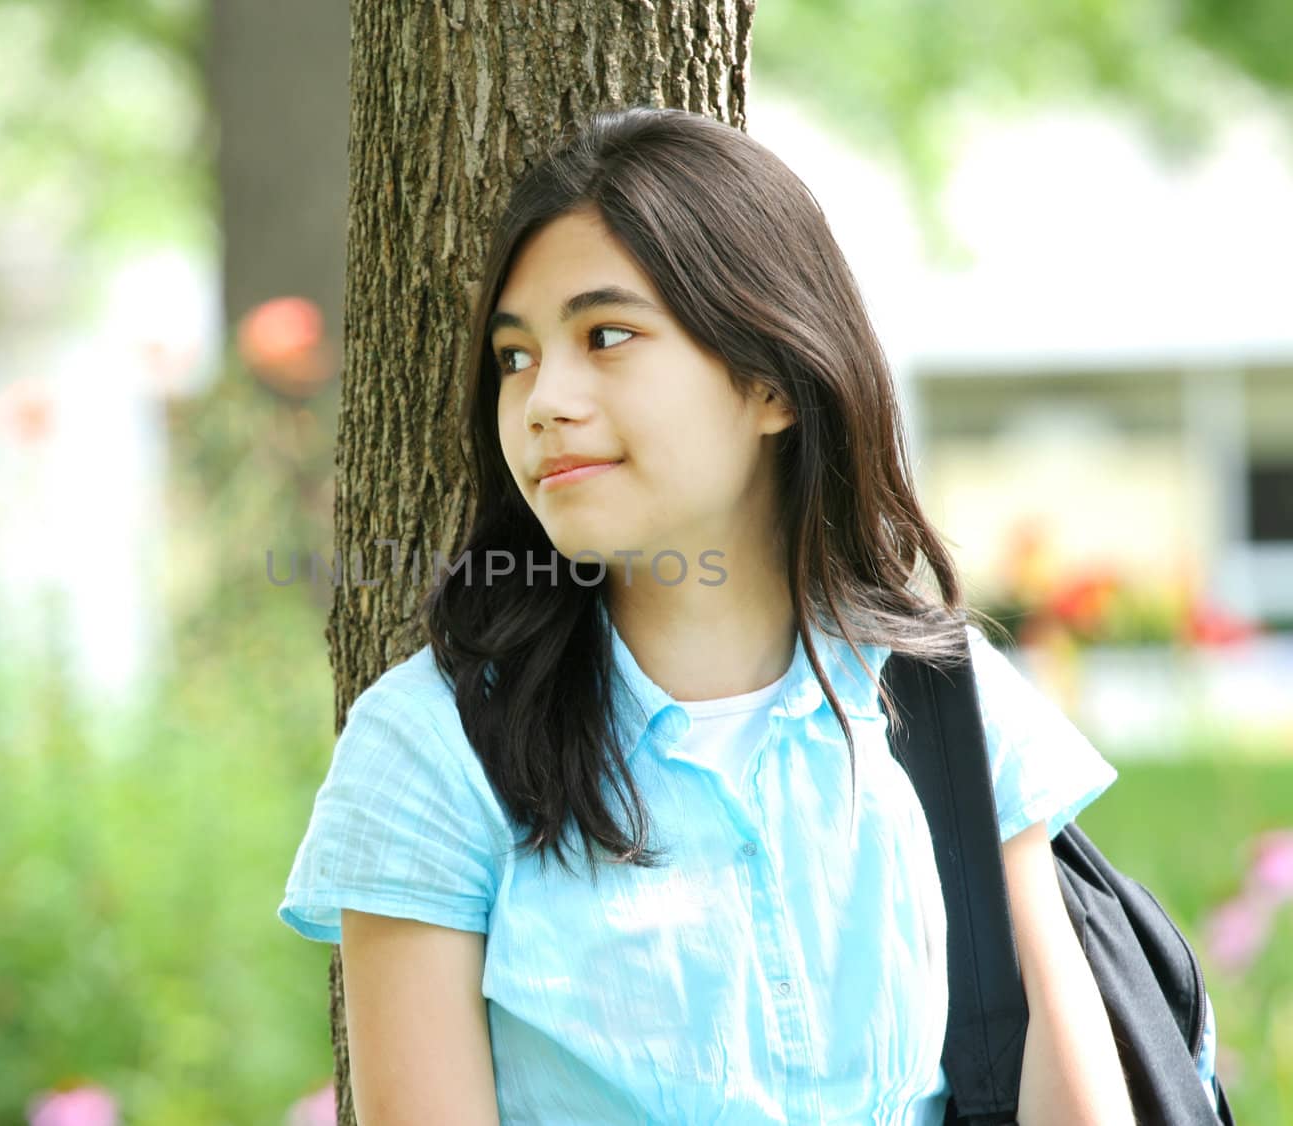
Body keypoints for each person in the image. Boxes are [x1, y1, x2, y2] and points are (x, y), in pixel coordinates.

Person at [277, 107, 1213, 1124]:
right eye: (514, 357)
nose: (543, 397)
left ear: (768, 379)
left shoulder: (946, 701)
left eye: (606, 336)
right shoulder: (433, 750)